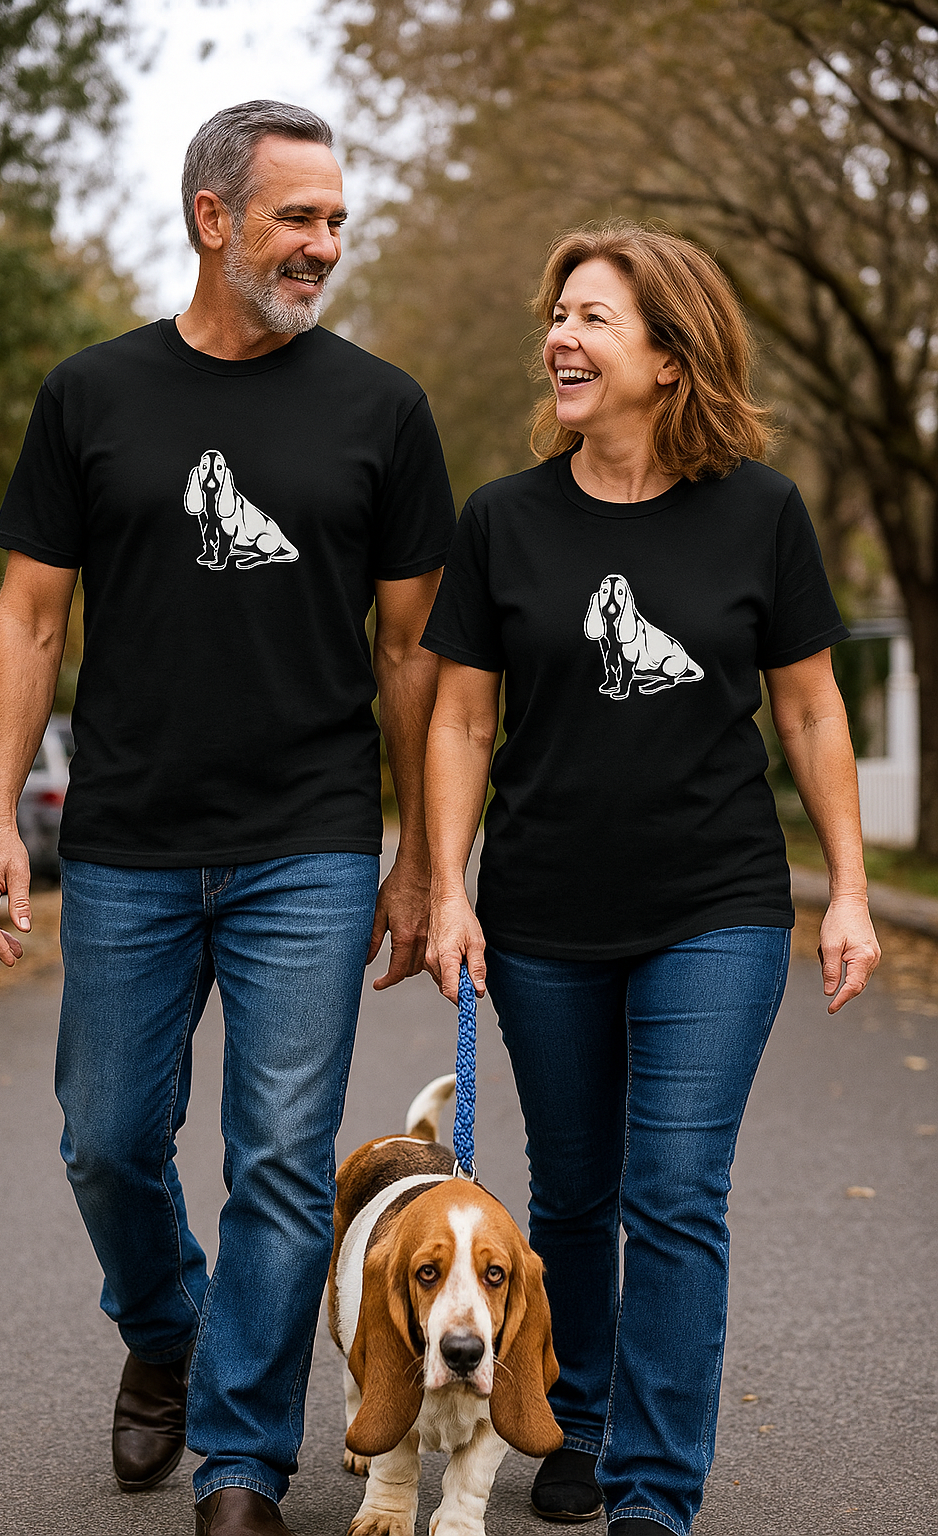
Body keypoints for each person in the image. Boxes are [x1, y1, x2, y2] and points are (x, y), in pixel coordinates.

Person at [0, 100, 455, 1536]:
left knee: (282, 1164)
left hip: (310, 842)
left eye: (337, 219)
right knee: (105, 1138)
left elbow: (413, 652)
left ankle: (242, 1465)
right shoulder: (92, 395)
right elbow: (27, 621)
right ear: (213, 216)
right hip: (128, 840)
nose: (325, 244)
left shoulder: (383, 410)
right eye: (299, 216)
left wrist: (423, 860)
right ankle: (167, 1327)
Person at [421, 222, 880, 1536]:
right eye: (557, 315)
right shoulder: (503, 520)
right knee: (571, 1193)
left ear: (670, 357)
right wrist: (448, 887)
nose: (559, 338)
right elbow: (461, 720)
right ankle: (580, 1413)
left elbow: (811, 710)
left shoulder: (760, 511)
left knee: (673, 1192)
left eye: (593, 318)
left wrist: (849, 888)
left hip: (715, 906)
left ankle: (653, 1492)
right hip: (546, 912)